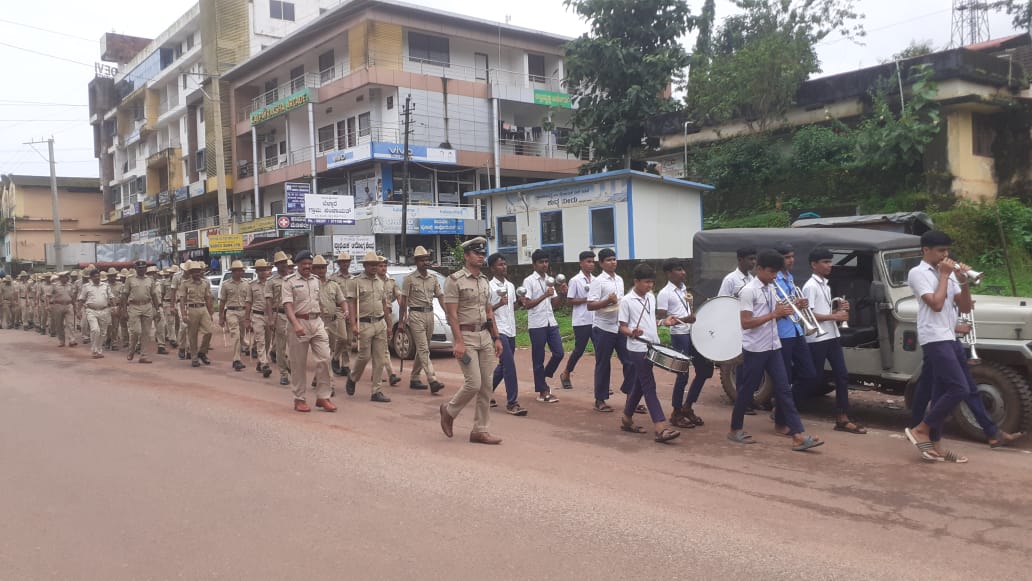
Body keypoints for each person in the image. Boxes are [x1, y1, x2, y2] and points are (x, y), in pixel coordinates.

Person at [905, 230, 1024, 462]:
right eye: (940, 250)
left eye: (947, 250)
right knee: (958, 388)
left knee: (944, 389)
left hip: (949, 337)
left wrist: (962, 281)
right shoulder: (917, 273)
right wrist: (944, 276)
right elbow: (936, 305)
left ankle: (937, 443)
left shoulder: (948, 275)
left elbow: (966, 307)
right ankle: (921, 429)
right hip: (934, 338)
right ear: (925, 250)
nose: (945, 255)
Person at [729, 250, 824, 451]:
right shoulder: (748, 291)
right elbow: (745, 323)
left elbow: (777, 313)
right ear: (759, 269)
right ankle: (735, 429)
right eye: (771, 272)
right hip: (755, 349)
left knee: (784, 389)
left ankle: (798, 435)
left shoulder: (771, 287)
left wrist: (793, 306)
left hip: (773, 346)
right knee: (747, 390)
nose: (774, 276)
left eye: (776, 272)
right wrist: (775, 314)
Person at [438, 237, 505, 445]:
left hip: (484, 336)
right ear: (466, 256)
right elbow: (452, 315)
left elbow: (488, 311)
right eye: (476, 253)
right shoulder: (454, 280)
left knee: (487, 386)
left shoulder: (484, 281)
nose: (481, 256)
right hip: (465, 336)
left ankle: (480, 430)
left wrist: (496, 337)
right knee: (473, 383)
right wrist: (458, 342)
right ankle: (449, 411)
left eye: (482, 253)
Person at [801, 248, 866, 434]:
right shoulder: (810, 286)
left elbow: (826, 310)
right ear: (814, 265)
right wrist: (834, 316)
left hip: (831, 336)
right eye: (825, 262)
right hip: (817, 338)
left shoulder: (826, 285)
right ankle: (783, 406)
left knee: (842, 376)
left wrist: (839, 307)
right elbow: (809, 314)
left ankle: (842, 418)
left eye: (830, 262)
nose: (829, 265)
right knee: (812, 378)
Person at [618, 263, 682, 443]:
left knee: (640, 383)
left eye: (652, 283)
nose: (650, 286)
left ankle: (627, 418)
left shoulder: (651, 297)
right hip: (637, 348)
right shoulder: (626, 301)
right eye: (646, 282)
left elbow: (650, 320)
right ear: (636, 281)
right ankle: (660, 426)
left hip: (652, 345)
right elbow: (622, 327)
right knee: (649, 385)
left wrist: (663, 323)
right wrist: (632, 333)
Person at [657, 258, 712, 428]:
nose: (683, 273)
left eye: (683, 269)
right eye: (679, 270)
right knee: (683, 374)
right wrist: (684, 319)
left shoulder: (683, 290)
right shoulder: (665, 293)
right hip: (679, 335)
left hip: (692, 334)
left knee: (704, 370)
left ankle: (687, 407)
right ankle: (676, 413)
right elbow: (660, 318)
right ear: (669, 273)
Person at [283, 251, 336, 413]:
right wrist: (295, 324)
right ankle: (299, 399)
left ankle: (323, 396)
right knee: (298, 364)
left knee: (325, 359)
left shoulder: (316, 281)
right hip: (298, 323)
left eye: (309, 264)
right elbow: (287, 305)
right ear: (298, 265)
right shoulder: (289, 281)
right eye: (304, 264)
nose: (307, 266)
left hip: (317, 322)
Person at [771, 242, 816, 426]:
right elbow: (775, 308)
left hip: (797, 330)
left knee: (810, 375)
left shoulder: (789, 277)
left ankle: (782, 409)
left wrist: (800, 303)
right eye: (787, 257)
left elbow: (792, 302)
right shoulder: (773, 280)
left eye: (792, 256)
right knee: (785, 379)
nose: (791, 260)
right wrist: (794, 304)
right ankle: (782, 418)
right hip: (782, 333)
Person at [587, 248, 632, 412]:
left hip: (619, 326)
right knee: (603, 363)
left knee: (630, 361)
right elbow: (590, 305)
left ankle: (631, 396)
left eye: (614, 259)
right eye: (608, 260)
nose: (612, 262)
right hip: (603, 327)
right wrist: (607, 301)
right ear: (601, 263)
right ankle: (600, 399)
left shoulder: (619, 279)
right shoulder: (598, 282)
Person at [345, 251, 392, 403]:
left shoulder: (381, 282)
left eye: (376, 265)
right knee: (364, 356)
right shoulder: (356, 282)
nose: (374, 267)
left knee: (380, 359)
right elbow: (351, 304)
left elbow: (384, 304)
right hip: (364, 323)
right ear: (365, 266)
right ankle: (353, 377)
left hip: (380, 323)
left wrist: (389, 324)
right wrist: (353, 324)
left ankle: (376, 391)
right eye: (371, 264)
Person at [520, 249, 566, 403]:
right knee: (538, 358)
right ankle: (542, 390)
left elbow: (555, 305)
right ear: (534, 264)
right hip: (537, 324)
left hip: (551, 321)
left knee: (559, 353)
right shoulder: (529, 281)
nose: (544, 265)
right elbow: (527, 304)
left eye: (546, 261)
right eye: (541, 262)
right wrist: (544, 295)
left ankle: (543, 376)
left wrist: (561, 294)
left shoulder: (550, 280)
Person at [399, 246, 446, 393]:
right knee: (424, 348)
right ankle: (432, 379)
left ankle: (414, 378)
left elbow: (441, 297)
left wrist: (449, 315)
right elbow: (403, 301)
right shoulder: (409, 279)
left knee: (423, 348)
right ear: (416, 262)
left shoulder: (433, 278)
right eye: (422, 260)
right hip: (416, 315)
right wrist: (401, 321)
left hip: (430, 314)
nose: (425, 262)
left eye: (427, 260)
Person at [488, 253, 527, 416]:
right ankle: (512, 402)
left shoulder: (510, 285)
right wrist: (498, 304)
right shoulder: (489, 287)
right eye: (499, 264)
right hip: (498, 330)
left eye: (504, 264)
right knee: (510, 366)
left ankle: (485, 391)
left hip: (511, 330)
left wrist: (519, 303)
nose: (503, 267)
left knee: (503, 365)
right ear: (492, 268)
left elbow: (510, 308)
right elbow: (486, 311)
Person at [312, 255, 348, 396]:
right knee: (325, 354)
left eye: (324, 267)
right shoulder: (311, 285)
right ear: (313, 269)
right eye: (319, 267)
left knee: (334, 348)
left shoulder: (333, 284)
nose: (322, 270)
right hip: (318, 322)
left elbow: (342, 300)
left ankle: (317, 377)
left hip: (333, 322)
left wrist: (345, 310)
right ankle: (330, 385)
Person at [559, 250, 596, 390]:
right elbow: (569, 301)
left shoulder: (596, 279)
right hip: (581, 320)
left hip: (596, 320)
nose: (591, 264)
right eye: (588, 261)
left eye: (593, 261)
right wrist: (587, 299)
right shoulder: (575, 280)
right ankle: (566, 373)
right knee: (579, 350)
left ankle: (601, 381)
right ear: (581, 263)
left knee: (601, 351)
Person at [121, 260, 161, 364]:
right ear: (136, 269)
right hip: (134, 306)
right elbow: (124, 295)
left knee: (146, 332)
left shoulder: (150, 280)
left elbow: (154, 295)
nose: (141, 270)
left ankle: (144, 355)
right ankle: (131, 350)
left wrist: (157, 309)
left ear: (146, 269)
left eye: (143, 268)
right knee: (135, 331)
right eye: (139, 268)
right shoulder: (130, 279)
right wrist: (124, 310)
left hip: (147, 306)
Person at [219, 260, 253, 372]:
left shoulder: (247, 284)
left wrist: (249, 316)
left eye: (240, 270)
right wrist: (221, 317)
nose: (238, 272)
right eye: (236, 270)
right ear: (232, 272)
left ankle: (247, 347)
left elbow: (249, 301)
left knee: (242, 336)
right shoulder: (226, 285)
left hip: (243, 312)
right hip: (231, 312)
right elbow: (222, 301)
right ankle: (236, 360)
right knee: (236, 335)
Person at [179, 261, 214, 368]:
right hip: (192, 309)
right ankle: (194, 357)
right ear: (190, 272)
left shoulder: (205, 283)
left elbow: (208, 298)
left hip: (203, 308)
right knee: (192, 335)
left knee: (209, 331)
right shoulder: (185, 284)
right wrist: (184, 314)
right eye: (194, 271)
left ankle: (202, 352)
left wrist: (210, 312)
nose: (197, 273)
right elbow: (182, 300)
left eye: (199, 271)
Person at [265, 251, 292, 386]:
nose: (283, 265)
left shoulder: (293, 279)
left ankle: (291, 367)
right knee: (281, 347)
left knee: (294, 346)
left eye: (285, 262)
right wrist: (270, 319)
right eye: (280, 263)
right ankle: (283, 373)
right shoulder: (272, 282)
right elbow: (269, 302)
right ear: (276, 265)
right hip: (280, 315)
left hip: (294, 315)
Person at [78, 269, 114, 359]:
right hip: (91, 310)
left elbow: (111, 296)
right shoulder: (86, 286)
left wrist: (114, 307)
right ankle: (94, 350)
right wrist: (78, 311)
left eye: (98, 276)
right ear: (91, 278)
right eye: (95, 276)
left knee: (103, 332)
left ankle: (99, 349)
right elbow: (81, 299)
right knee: (95, 330)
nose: (97, 278)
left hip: (104, 310)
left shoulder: (105, 286)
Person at [378, 259, 402, 387]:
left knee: (384, 345)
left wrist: (403, 311)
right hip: (375, 316)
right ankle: (391, 374)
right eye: (380, 266)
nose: (383, 268)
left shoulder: (391, 282)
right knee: (381, 348)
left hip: (388, 315)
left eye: (385, 266)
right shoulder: (373, 282)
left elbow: (398, 296)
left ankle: (379, 372)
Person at [330, 252, 354, 377]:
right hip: (338, 310)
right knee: (342, 337)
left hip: (351, 310)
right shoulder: (333, 278)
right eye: (343, 262)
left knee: (349, 340)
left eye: (347, 261)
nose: (345, 264)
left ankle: (345, 365)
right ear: (339, 264)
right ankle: (335, 358)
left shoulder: (353, 279)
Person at [250, 259, 274, 378]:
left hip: (269, 316)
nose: (262, 272)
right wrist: (247, 319)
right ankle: (265, 364)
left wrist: (272, 318)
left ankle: (260, 362)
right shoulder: (252, 285)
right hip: (257, 315)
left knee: (268, 341)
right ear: (256, 272)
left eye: (264, 270)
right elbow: (248, 302)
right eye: (259, 270)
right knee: (260, 340)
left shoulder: (272, 284)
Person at [146, 266, 170, 355]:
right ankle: (139, 345)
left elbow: (162, 295)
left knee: (161, 326)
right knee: (145, 328)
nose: (154, 275)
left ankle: (161, 346)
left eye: (155, 273)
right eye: (151, 274)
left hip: (159, 306)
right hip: (148, 306)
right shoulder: (145, 284)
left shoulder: (160, 284)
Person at [49, 272, 76, 348]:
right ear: (60, 278)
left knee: (70, 323)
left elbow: (73, 296)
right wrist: (49, 305)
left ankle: (72, 340)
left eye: (66, 277)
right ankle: (61, 340)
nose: (65, 278)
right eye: (63, 277)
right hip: (58, 305)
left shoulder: (70, 285)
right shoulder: (55, 285)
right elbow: (48, 295)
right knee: (59, 324)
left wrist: (75, 306)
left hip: (68, 305)